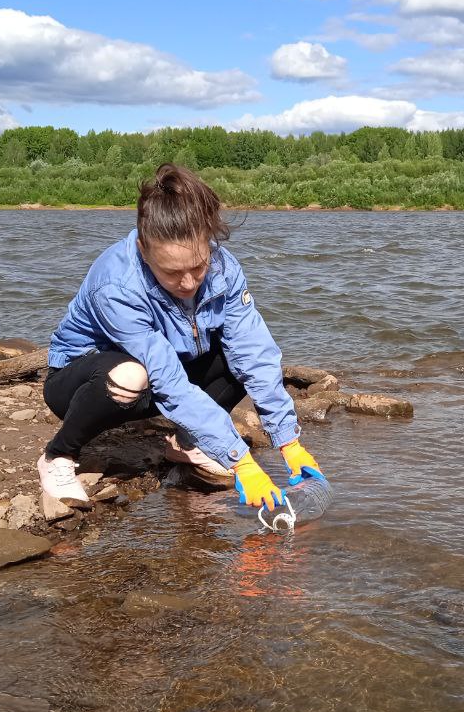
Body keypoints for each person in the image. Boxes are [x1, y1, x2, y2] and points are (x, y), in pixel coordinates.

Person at [38, 163, 322, 512]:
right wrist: (241, 461)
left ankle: (187, 443)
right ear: (144, 250)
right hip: (86, 384)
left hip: (162, 375)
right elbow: (167, 379)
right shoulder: (117, 285)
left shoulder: (224, 268)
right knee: (131, 374)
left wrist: (288, 441)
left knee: (240, 357)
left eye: (198, 267)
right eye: (172, 272)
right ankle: (58, 455)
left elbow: (255, 351)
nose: (188, 284)